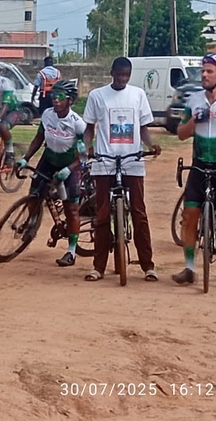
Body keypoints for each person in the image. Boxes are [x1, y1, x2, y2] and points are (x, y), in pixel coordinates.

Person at [82, 56, 161, 283]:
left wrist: (151, 144)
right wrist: (87, 147)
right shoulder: (98, 96)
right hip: (104, 161)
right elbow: (89, 128)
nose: (122, 79)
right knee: (102, 215)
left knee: (139, 212)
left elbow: (143, 128)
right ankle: (98, 267)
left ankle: (148, 266)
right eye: (119, 75)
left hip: (132, 161)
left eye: (126, 75)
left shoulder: (137, 95)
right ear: (112, 73)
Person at [172, 54, 216, 290]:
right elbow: (181, 133)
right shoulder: (194, 100)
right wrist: (194, 120)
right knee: (190, 215)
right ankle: (190, 268)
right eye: (203, 71)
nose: (203, 75)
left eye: (209, 71)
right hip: (200, 164)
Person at [15, 79, 86, 266]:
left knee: (71, 208)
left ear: (69, 100)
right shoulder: (47, 115)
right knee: (33, 195)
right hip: (48, 159)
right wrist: (26, 158)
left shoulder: (78, 124)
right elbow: (39, 138)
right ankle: (33, 223)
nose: (55, 100)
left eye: (60, 97)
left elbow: (83, 157)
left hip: (69, 165)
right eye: (53, 96)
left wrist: (67, 170)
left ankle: (71, 251)